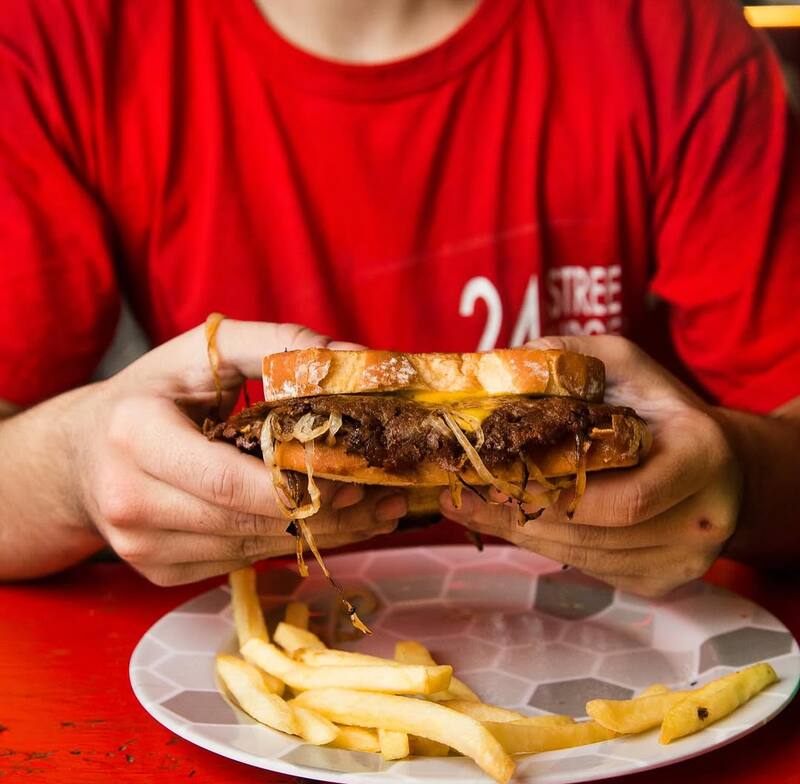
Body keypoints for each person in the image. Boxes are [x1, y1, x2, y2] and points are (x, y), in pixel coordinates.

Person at [0, 0, 798, 595]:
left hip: (625, 666)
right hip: (227, 690)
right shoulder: (59, 36)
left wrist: (741, 478)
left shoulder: (676, 37)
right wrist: (73, 468)